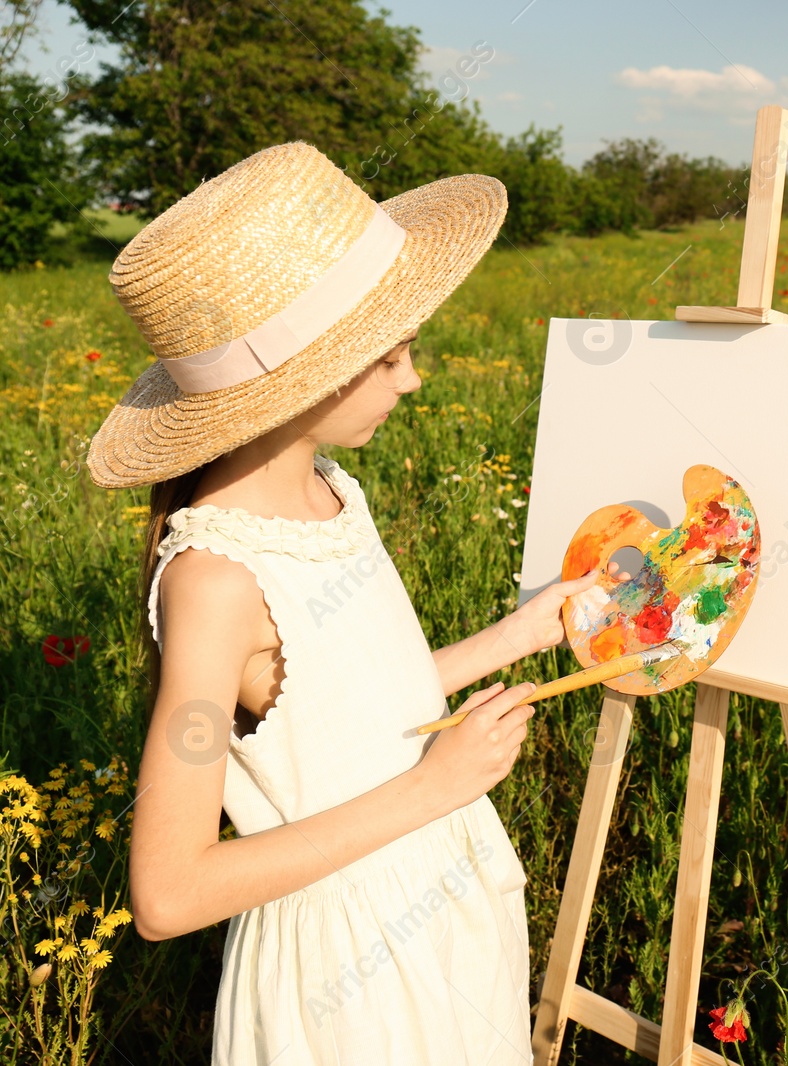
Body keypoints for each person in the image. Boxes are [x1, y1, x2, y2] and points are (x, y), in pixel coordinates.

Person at [87, 141, 604, 1064]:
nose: (414, 378)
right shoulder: (214, 582)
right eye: (395, 354)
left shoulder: (329, 489)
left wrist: (520, 634)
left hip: (438, 913)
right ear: (309, 376)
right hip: (350, 983)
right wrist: (432, 789)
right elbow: (166, 896)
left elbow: (349, 711)